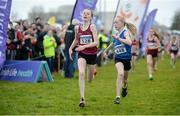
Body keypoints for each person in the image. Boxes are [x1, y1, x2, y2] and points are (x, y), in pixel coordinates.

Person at [103, 16, 136, 104]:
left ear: (122, 23)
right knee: (120, 74)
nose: (115, 24)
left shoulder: (125, 32)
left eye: (116, 22)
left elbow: (129, 42)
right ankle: (117, 97)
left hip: (127, 59)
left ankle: (125, 86)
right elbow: (113, 43)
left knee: (125, 79)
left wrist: (118, 38)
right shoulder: (117, 33)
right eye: (114, 23)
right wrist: (105, 51)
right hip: (118, 58)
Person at [69, 9, 98, 107]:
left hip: (92, 54)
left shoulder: (92, 27)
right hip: (82, 54)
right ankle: (82, 99)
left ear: (91, 17)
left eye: (88, 14)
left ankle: (92, 73)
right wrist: (70, 48)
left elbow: (96, 42)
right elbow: (76, 40)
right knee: (81, 73)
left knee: (89, 79)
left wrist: (84, 46)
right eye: (84, 13)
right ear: (82, 15)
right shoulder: (77, 28)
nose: (85, 15)